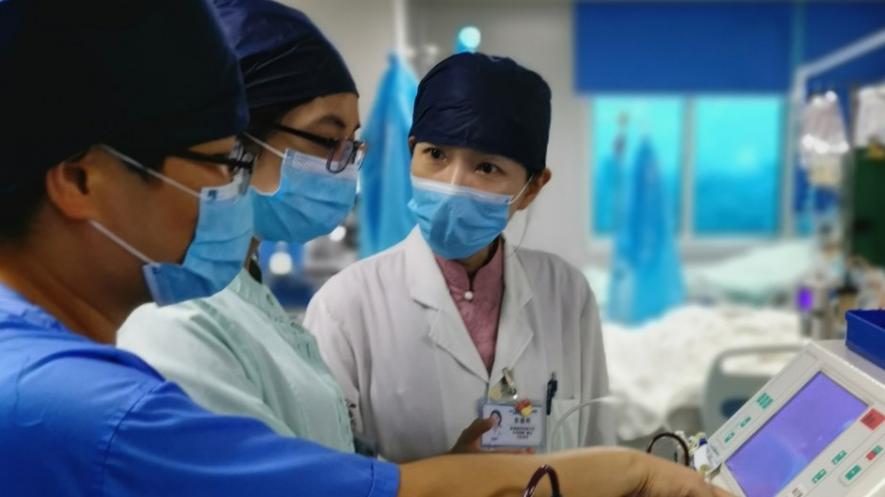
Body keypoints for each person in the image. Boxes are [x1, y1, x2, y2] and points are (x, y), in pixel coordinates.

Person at [0, 2, 733, 496]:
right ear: (80, 179)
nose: (232, 189)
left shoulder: (198, 321)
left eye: (488, 168)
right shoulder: (98, 404)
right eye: (221, 164)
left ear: (530, 186)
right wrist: (629, 473)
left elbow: (350, 474)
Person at [305, 52, 615, 463]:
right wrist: (450, 479)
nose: (452, 186)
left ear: (532, 188)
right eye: (436, 154)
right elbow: (328, 475)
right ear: (412, 152)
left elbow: (597, 455)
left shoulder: (566, 295)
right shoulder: (345, 306)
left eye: (486, 167)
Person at [118, 0, 364, 452]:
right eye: (330, 140)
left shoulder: (245, 288)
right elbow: (283, 477)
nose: (344, 167)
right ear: (236, 141)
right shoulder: (178, 312)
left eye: (352, 145)